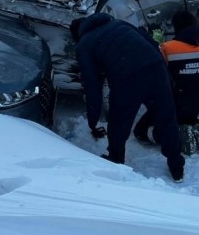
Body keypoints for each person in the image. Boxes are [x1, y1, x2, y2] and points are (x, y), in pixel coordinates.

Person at [70, 13, 185, 181]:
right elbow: (151, 42)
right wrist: (167, 78)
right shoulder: (119, 23)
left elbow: (92, 86)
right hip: (155, 67)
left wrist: (93, 121)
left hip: (127, 77)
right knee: (166, 118)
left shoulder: (84, 44)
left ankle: (116, 158)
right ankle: (177, 166)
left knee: (119, 121)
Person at [134, 11, 199, 156]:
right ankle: (194, 126)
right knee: (187, 117)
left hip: (174, 100)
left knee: (141, 131)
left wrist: (156, 42)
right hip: (198, 100)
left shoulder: (168, 48)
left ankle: (177, 133)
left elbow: (155, 64)